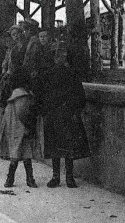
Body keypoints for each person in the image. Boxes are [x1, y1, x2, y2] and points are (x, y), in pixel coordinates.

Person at [37, 55, 90, 188]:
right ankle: (58, 177)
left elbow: (80, 96)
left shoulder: (71, 74)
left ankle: (68, 177)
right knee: (57, 146)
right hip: (55, 113)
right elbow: (41, 95)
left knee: (66, 146)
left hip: (66, 113)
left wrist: (74, 110)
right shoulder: (48, 75)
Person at [0, 67, 40, 188]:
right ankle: (28, 179)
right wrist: (29, 126)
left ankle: (11, 179)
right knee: (24, 154)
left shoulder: (13, 95)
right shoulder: (22, 96)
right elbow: (23, 113)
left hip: (13, 128)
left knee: (17, 154)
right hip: (21, 128)